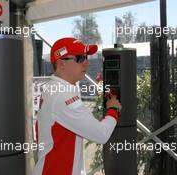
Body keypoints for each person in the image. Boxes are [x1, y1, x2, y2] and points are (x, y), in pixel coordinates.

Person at [34, 37, 122, 175]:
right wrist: (113, 109)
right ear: (61, 63)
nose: (86, 63)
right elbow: (101, 134)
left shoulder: (56, 88)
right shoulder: (62, 94)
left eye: (87, 57)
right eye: (80, 58)